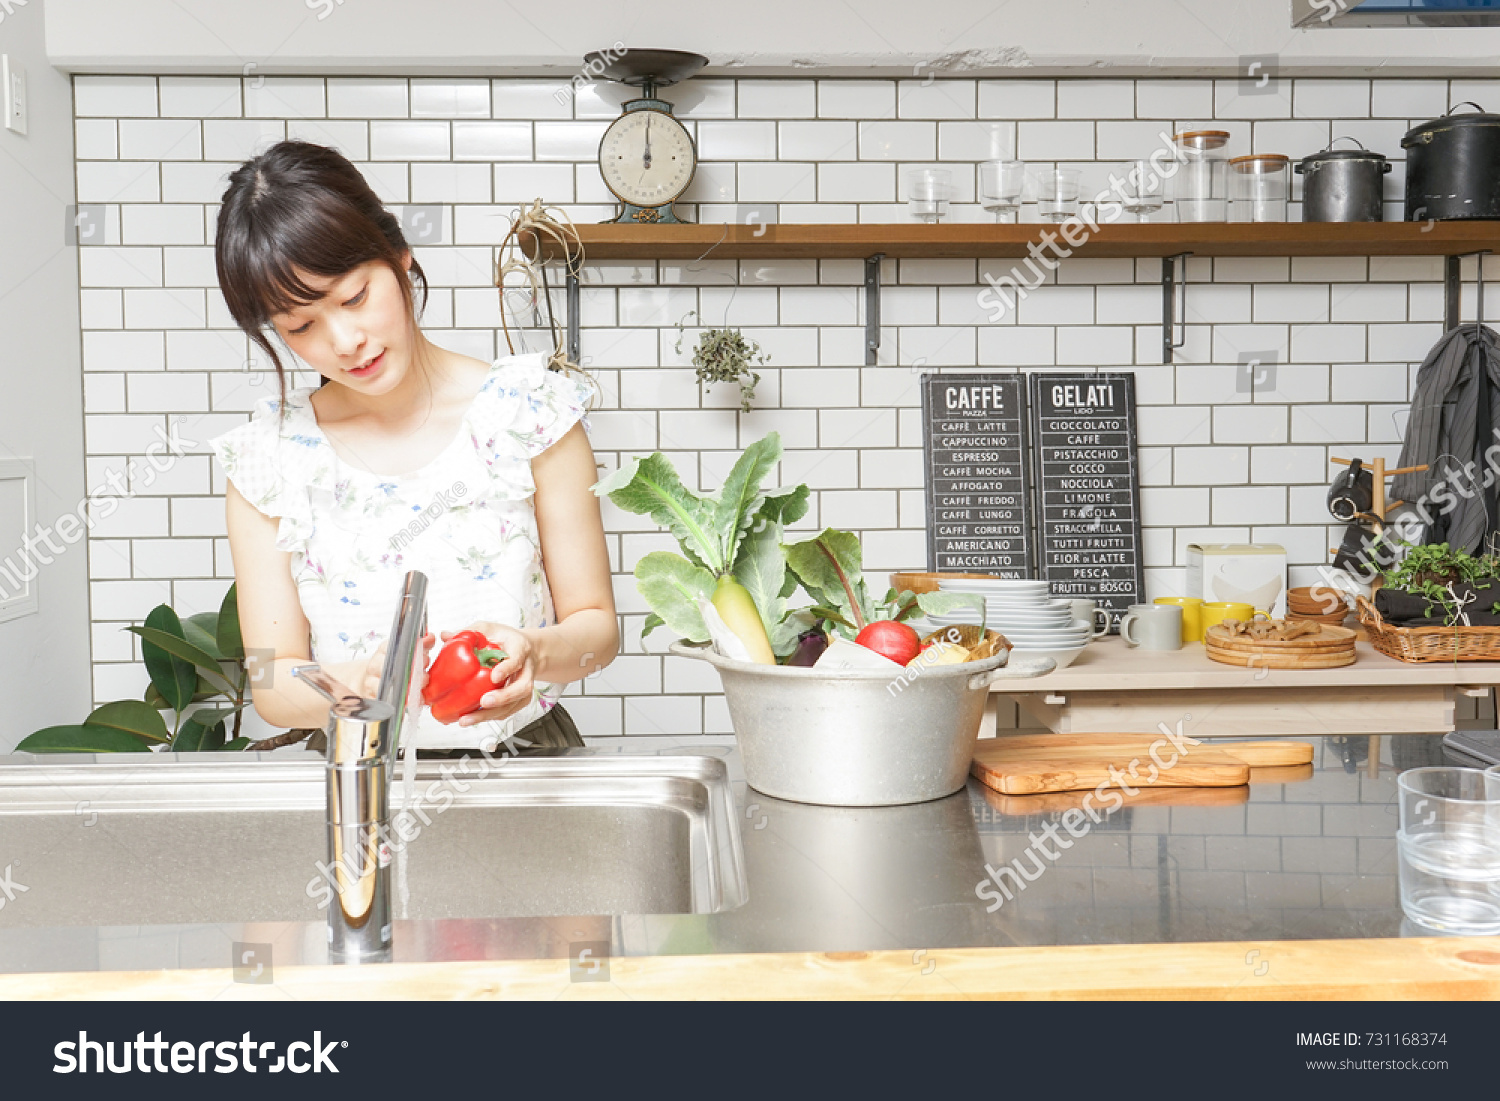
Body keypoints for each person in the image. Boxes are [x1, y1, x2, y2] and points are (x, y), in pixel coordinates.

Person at [207, 141, 617, 754]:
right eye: (300, 327)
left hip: (528, 757)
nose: (345, 341)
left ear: (399, 258)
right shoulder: (268, 462)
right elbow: (269, 683)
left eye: (353, 297)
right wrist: (348, 684)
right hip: (356, 771)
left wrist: (537, 651)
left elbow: (598, 630)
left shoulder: (529, 410)